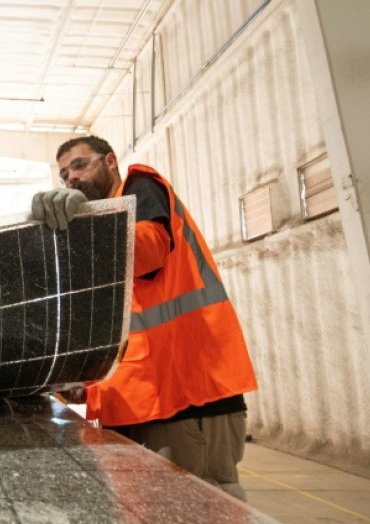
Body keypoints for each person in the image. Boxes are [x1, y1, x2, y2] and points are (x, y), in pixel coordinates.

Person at [31, 136, 257, 500]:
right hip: (136, 402)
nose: (71, 178)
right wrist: (85, 380)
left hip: (185, 397)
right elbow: (120, 327)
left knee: (201, 507)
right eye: (64, 174)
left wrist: (87, 222)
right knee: (149, 512)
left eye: (80, 165)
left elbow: (148, 251)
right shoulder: (98, 241)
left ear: (110, 161)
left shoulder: (139, 187)